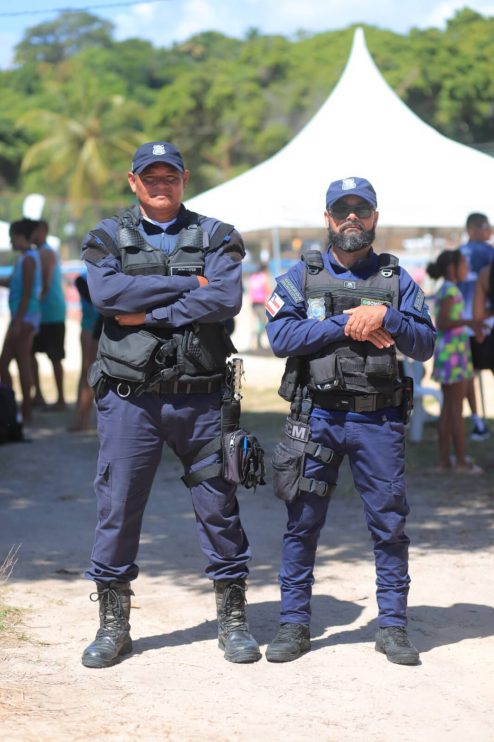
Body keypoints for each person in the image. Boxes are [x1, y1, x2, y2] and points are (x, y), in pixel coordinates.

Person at [80, 141, 261, 669]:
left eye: (170, 176)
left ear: (185, 178)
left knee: (219, 508)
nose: (161, 185)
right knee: (117, 508)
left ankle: (232, 619)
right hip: (129, 400)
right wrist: (187, 284)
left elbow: (225, 300)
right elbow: (109, 298)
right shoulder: (105, 237)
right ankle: (113, 624)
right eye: (149, 176)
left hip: (201, 399)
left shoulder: (219, 235)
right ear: (132, 181)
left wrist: (150, 312)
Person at [265, 177, 436, 666]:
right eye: (343, 209)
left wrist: (388, 317)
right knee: (302, 523)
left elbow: (425, 344)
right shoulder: (302, 276)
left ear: (376, 218)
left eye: (362, 209)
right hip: (316, 416)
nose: (352, 218)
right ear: (327, 218)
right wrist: (346, 322)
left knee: (389, 525)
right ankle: (294, 624)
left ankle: (393, 627)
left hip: (377, 421)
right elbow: (280, 337)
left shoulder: (396, 280)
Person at [426, 250, 484, 474]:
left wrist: (472, 324)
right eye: (464, 264)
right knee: (455, 410)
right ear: (453, 268)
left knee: (448, 410)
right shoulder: (450, 290)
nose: (467, 268)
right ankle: (461, 461)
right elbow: (443, 322)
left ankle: (445, 461)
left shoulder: (447, 289)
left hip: (449, 353)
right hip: (454, 356)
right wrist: (470, 320)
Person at [0, 218, 41, 424]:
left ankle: (24, 410)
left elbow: (26, 293)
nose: (10, 242)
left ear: (20, 236)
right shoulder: (25, 258)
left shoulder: (29, 259)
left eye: (12, 238)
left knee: (21, 363)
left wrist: (17, 321)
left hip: (23, 318)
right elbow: (14, 284)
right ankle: (14, 407)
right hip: (21, 316)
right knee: (8, 363)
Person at [456, 213, 493, 440]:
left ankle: (478, 422)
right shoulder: (489, 253)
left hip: (464, 326)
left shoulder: (456, 255)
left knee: (467, 377)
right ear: (473, 229)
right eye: (486, 227)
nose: (489, 231)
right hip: (487, 324)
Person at [30, 219, 67, 411]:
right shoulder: (37, 253)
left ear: (42, 231)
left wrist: (31, 305)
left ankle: (60, 398)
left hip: (50, 312)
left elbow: (43, 285)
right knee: (31, 354)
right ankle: (39, 395)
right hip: (43, 312)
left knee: (54, 356)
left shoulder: (45, 252)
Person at [68, 271, 102, 432]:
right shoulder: (83, 278)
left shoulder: (83, 278)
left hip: (93, 327)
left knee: (88, 373)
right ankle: (82, 417)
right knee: (88, 372)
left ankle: (82, 418)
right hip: (92, 327)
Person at [248, 263, 271, 349]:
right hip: (261, 302)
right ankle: (258, 341)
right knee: (262, 321)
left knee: (257, 322)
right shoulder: (263, 277)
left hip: (254, 303)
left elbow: (251, 290)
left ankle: (255, 341)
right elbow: (267, 289)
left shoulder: (253, 277)